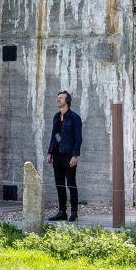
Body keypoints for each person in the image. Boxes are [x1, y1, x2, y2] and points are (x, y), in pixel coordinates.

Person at [45, 90, 83, 222]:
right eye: (58, 97)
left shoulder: (74, 118)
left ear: (67, 101)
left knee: (71, 184)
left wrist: (75, 155)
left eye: (61, 98)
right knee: (59, 184)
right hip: (57, 155)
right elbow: (54, 135)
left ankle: (74, 212)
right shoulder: (56, 117)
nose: (58, 99)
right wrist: (50, 152)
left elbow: (78, 138)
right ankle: (62, 212)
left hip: (69, 156)